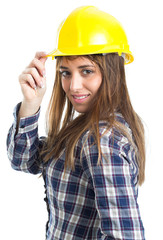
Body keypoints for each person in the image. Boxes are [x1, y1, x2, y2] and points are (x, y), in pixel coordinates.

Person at [7, 5, 146, 240]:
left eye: (87, 71)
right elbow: (23, 161)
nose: (73, 86)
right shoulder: (85, 129)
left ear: (112, 72)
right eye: (65, 73)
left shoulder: (102, 141)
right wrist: (30, 104)